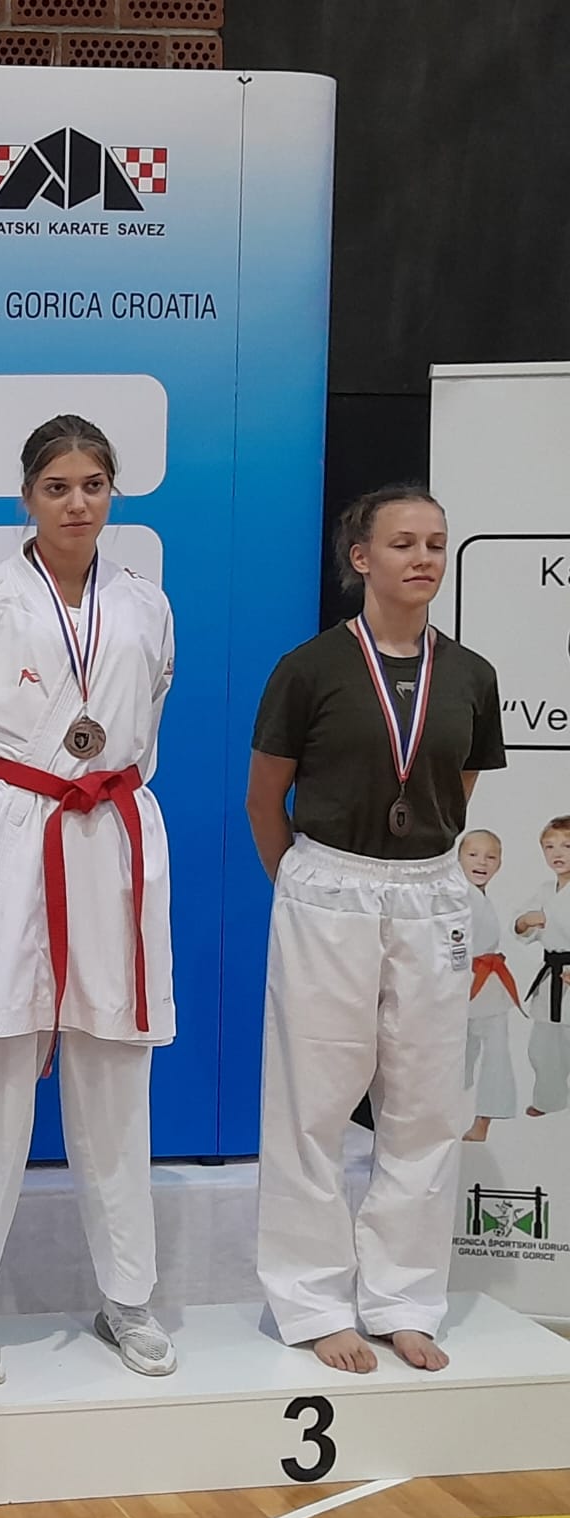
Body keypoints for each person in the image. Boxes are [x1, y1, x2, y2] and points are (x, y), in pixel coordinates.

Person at [0, 415, 179, 1386]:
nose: (76, 503)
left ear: (114, 493)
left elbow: (145, 727)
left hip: (109, 839)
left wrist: (89, 808)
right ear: (25, 495)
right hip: (13, 842)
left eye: (92, 485)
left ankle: (128, 1296)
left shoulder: (146, 603)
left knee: (114, 1074)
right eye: (57, 486)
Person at [247, 485, 505, 1373]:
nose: (424, 557)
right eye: (403, 543)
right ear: (361, 558)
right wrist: (310, 891)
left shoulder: (470, 675)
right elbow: (264, 800)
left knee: (426, 1105)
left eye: (436, 542)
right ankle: (315, 1301)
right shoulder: (309, 668)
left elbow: (454, 792)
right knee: (313, 1102)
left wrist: (410, 873)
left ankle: (404, 1299)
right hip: (329, 882)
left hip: (430, 889)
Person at [459, 830, 520, 1140]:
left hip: (488, 985)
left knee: (494, 1054)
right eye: (473, 855)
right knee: (460, 1053)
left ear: (499, 864)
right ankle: (457, 1113)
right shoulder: (457, 896)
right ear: (458, 859)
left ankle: (483, 1121)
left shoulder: (479, 897)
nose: (481, 862)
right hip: (462, 982)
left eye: (490, 857)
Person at [513, 817, 570, 1117]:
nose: (557, 853)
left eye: (567, 846)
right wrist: (524, 922)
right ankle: (549, 1100)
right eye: (549, 846)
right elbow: (522, 925)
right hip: (552, 975)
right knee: (543, 1045)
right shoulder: (546, 890)